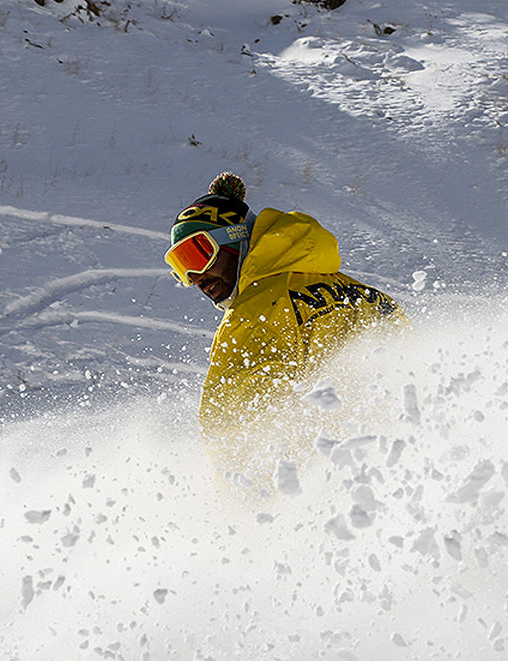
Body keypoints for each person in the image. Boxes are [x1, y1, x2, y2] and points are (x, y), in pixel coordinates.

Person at [164, 172, 408, 466]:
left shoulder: (253, 314)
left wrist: (236, 506)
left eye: (198, 255)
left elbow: (233, 432)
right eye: (182, 267)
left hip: (319, 482)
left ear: (236, 239)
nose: (195, 278)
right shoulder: (364, 293)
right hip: (394, 461)